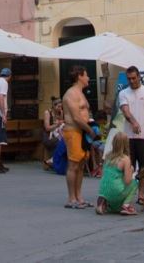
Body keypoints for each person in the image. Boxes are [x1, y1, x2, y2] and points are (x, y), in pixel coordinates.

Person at [117, 66, 144, 208]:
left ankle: (141, 195)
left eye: (134, 78)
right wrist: (134, 123)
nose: (131, 81)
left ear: (139, 77)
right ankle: (127, 194)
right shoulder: (124, 93)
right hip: (129, 136)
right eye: (129, 79)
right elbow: (126, 111)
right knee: (128, 166)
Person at [61, 65, 92, 209]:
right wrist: (90, 131)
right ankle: (71, 198)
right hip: (73, 131)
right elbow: (76, 117)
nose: (88, 78)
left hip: (82, 132)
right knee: (73, 165)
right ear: (80, 77)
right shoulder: (71, 94)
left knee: (81, 164)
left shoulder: (81, 93)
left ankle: (79, 196)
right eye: (86, 75)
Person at [95, 131, 139, 216]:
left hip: (103, 190)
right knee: (134, 183)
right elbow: (127, 181)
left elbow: (103, 174)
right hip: (116, 190)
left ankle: (105, 203)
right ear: (126, 144)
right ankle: (125, 206)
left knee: (112, 181)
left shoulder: (108, 156)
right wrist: (131, 170)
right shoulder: (125, 159)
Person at [42, 97, 64, 170]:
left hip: (58, 133)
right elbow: (47, 128)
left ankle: (55, 161)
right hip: (48, 135)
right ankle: (55, 162)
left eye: (61, 107)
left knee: (64, 142)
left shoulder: (61, 112)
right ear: (53, 105)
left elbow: (61, 125)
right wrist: (56, 125)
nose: (59, 108)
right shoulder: (47, 112)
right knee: (59, 142)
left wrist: (60, 124)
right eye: (58, 106)